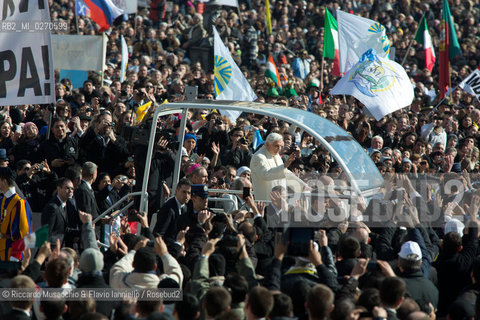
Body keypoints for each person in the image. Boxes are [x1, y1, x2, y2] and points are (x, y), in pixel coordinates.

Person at [250, 132, 307, 201]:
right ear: (267, 144)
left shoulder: (275, 154)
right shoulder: (258, 157)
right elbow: (266, 174)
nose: (279, 149)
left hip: (280, 200)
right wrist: (284, 165)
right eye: (276, 146)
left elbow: (285, 173)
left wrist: (302, 186)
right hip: (265, 201)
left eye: (281, 146)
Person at [0, 167, 32, 261]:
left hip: (12, 254)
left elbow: (24, 233)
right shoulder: (2, 200)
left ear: (4, 181)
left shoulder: (19, 203)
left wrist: (16, 257)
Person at [41, 178, 82, 249]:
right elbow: (46, 233)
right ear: (59, 189)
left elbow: (64, 229)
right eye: (67, 188)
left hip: (61, 248)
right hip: (52, 250)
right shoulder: (52, 207)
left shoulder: (65, 205)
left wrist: (84, 230)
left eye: (72, 189)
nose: (70, 191)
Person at [153, 178, 191, 244]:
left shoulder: (186, 208)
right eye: (184, 192)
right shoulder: (168, 208)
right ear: (176, 191)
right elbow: (159, 234)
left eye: (189, 193)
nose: (186, 196)